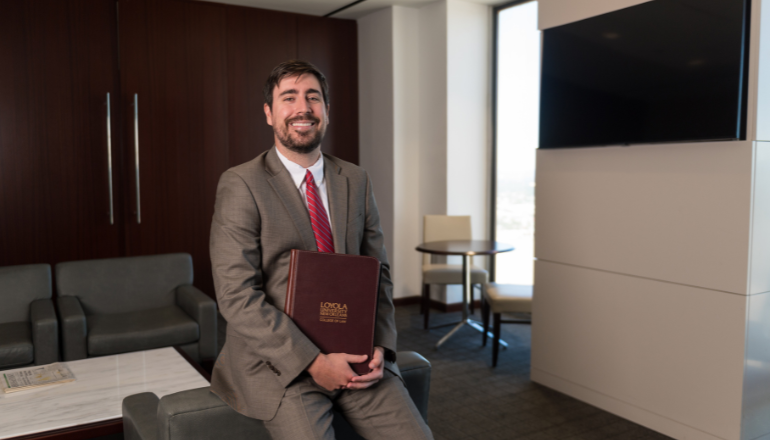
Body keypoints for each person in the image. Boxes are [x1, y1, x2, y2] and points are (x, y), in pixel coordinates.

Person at [209, 60, 434, 440]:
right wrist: (313, 361)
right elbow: (236, 296)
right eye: (289, 98)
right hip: (280, 364)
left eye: (313, 97)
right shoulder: (241, 184)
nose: (303, 108)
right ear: (269, 113)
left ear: (326, 111)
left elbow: (378, 272)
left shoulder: (356, 180)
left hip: (357, 355)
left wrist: (381, 344)